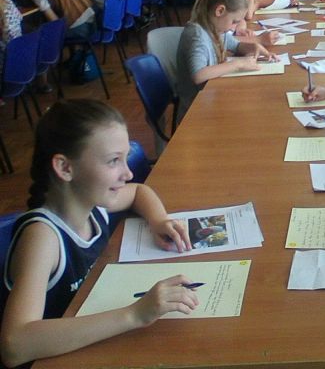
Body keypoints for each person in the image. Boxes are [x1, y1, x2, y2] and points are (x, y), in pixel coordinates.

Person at [0, 99, 199, 368]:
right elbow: (15, 345)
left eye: (125, 158)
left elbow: (139, 192)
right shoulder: (42, 238)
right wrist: (135, 315)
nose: (128, 173)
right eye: (113, 161)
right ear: (65, 168)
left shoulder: (92, 206)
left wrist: (159, 219)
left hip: (89, 341)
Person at [175, 0, 278, 122]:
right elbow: (198, 75)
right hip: (195, 113)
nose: (234, 27)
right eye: (234, 21)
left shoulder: (216, 28)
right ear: (220, 11)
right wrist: (237, 64)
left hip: (212, 99)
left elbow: (235, 45)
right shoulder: (197, 35)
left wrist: (254, 47)